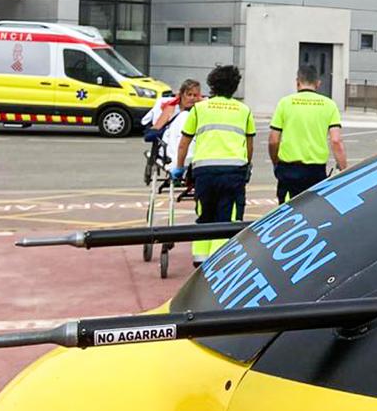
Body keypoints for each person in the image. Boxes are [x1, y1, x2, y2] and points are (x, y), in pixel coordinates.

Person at [173, 65, 254, 266]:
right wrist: (247, 166)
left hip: (204, 171)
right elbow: (249, 143)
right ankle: (221, 262)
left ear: (212, 85)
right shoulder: (243, 110)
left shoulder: (199, 109)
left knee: (205, 214)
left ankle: (200, 259)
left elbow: (184, 143)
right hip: (233, 171)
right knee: (228, 217)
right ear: (235, 87)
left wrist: (179, 168)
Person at [269, 64, 348, 202]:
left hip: (288, 170)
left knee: (286, 213)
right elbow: (336, 141)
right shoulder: (329, 105)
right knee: (313, 212)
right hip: (315, 171)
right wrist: (344, 169)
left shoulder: (284, 103)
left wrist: (276, 162)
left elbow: (273, 140)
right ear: (318, 83)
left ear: (297, 82)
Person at [143, 79, 201, 170]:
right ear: (182, 95)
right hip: (173, 141)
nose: (192, 98)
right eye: (189, 94)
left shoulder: (201, 109)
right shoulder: (172, 108)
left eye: (195, 95)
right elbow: (156, 128)